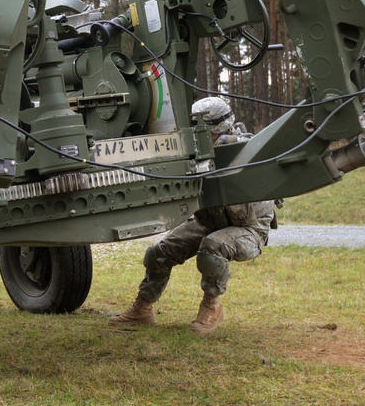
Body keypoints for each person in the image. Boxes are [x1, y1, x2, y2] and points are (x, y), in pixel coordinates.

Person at [107, 97, 273, 334]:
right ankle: (142, 309)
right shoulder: (194, 153)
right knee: (159, 254)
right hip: (208, 222)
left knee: (212, 249)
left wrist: (224, 149)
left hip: (249, 229)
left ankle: (211, 307)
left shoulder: (247, 149)